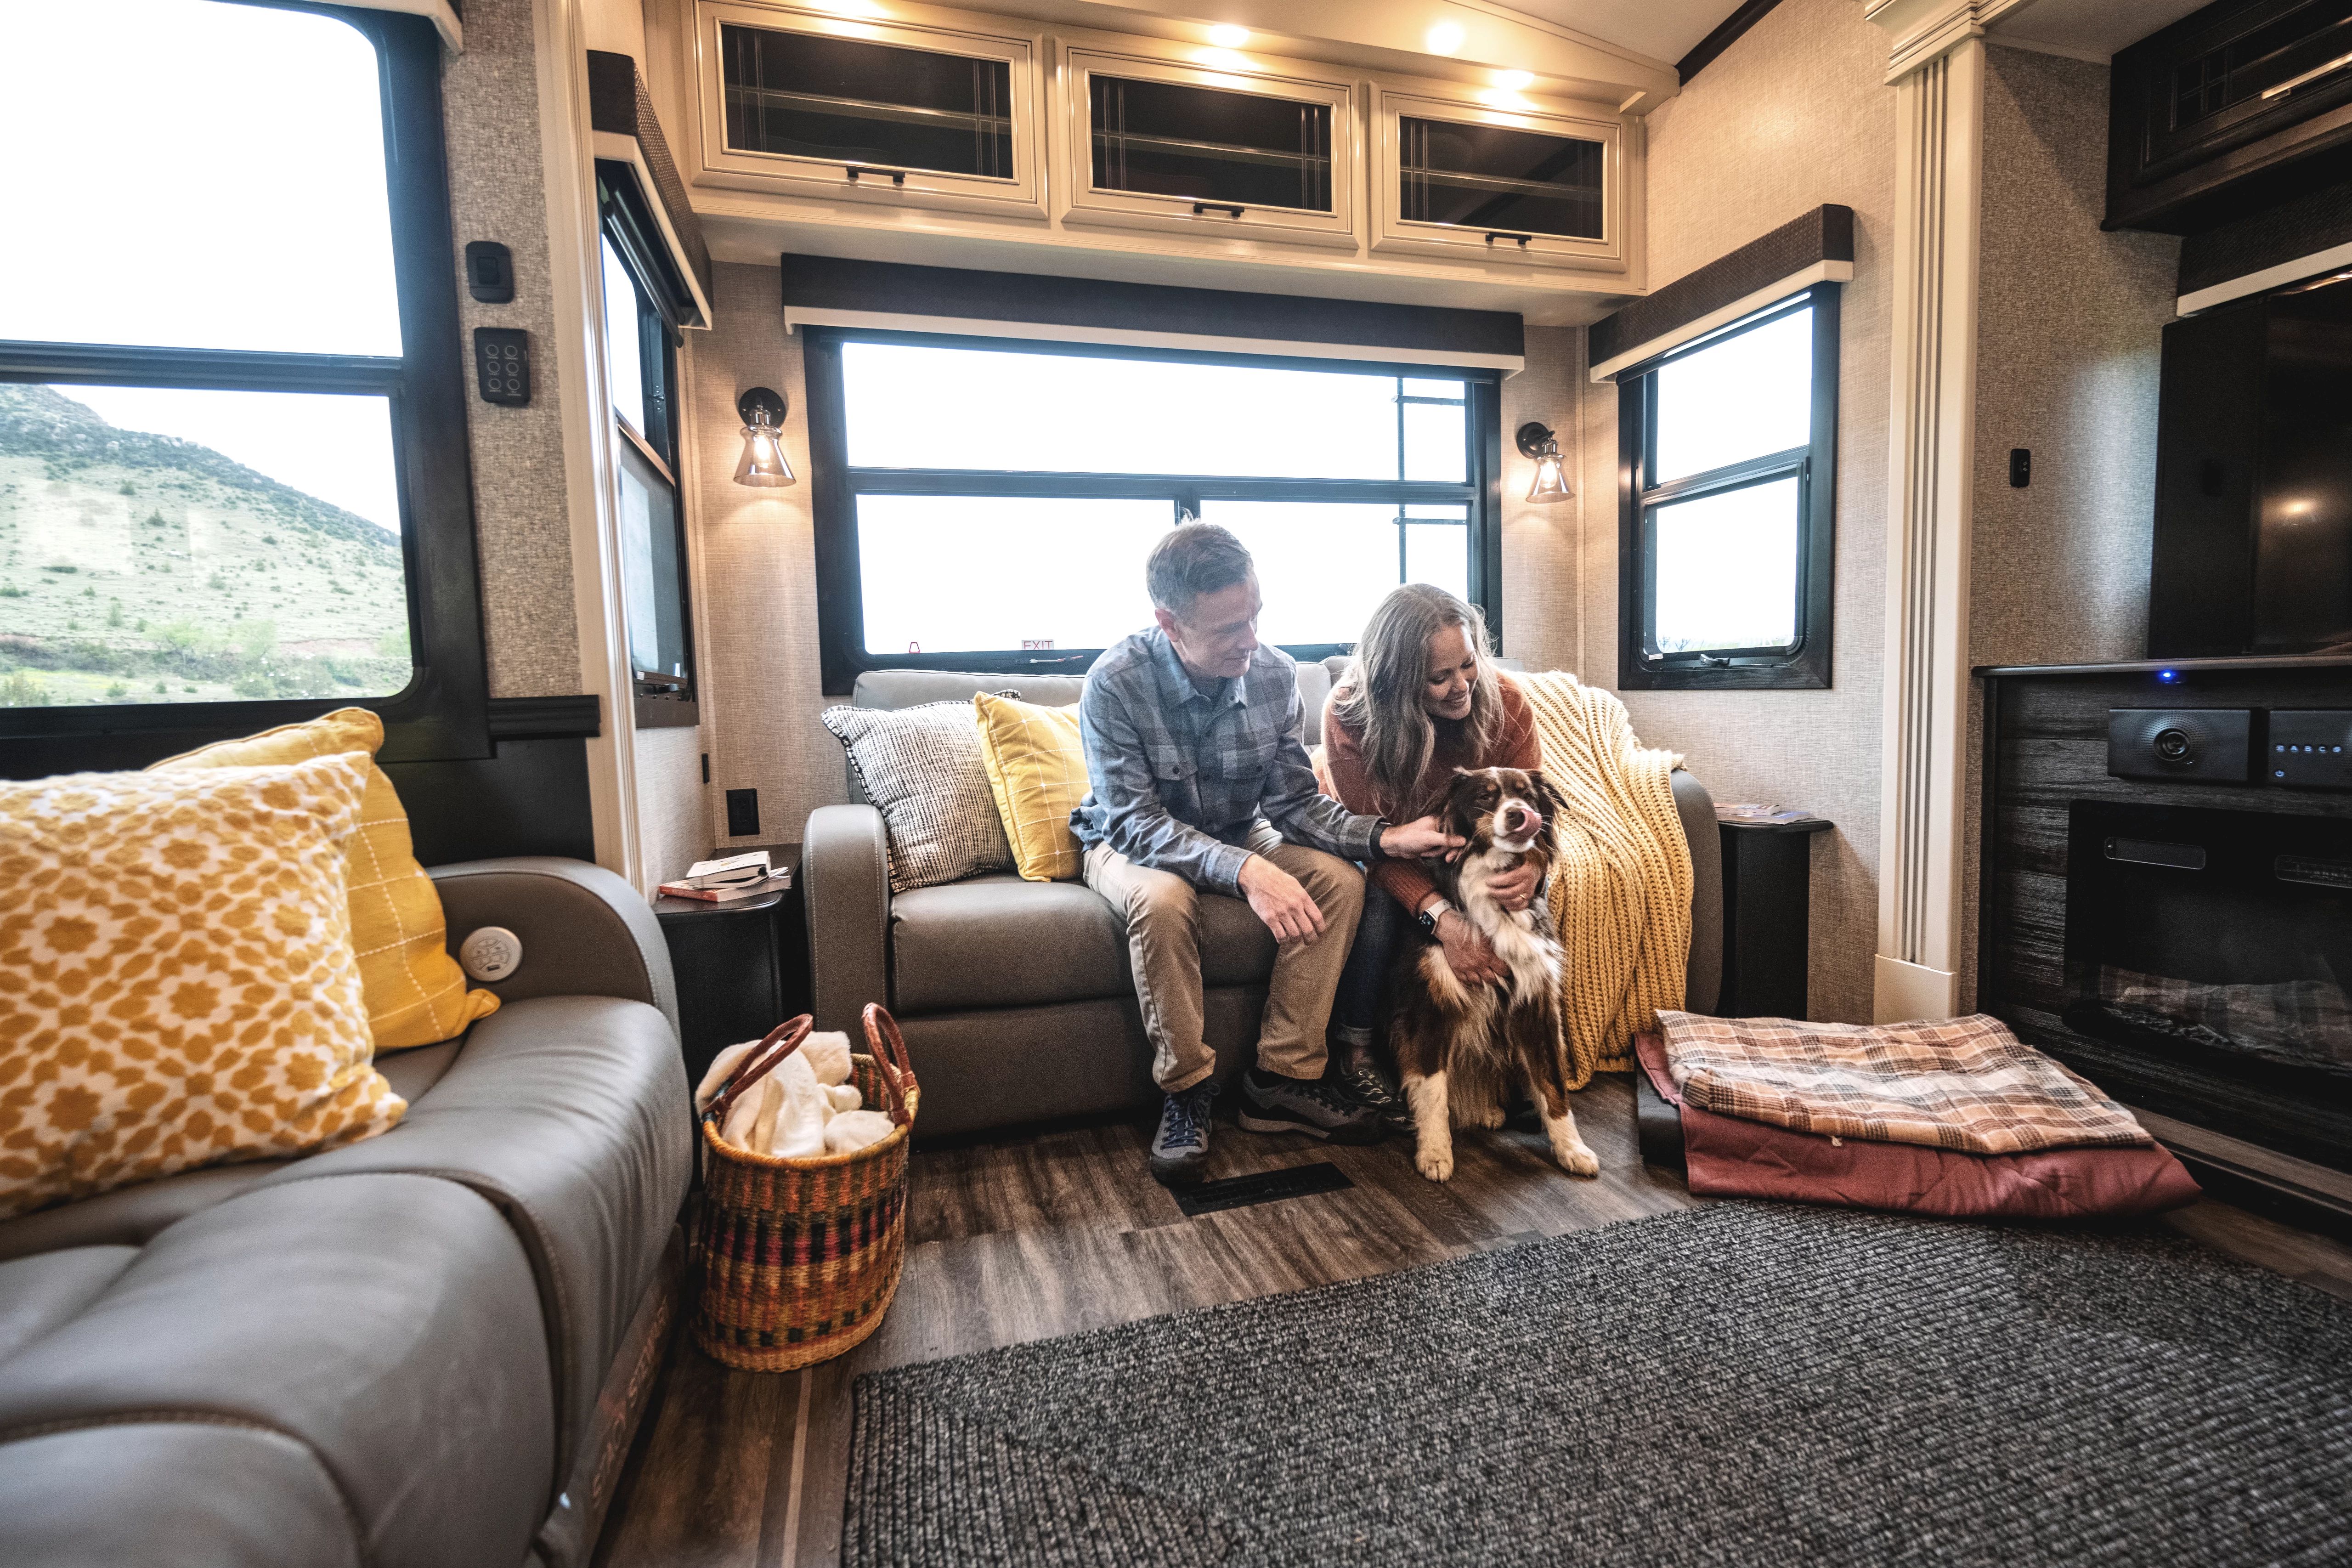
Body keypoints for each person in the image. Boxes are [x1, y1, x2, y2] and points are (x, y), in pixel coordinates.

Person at [1073, 523, 1462, 1186]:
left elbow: (1293, 804)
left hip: (1237, 825)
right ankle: (1187, 1089)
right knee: (1164, 901)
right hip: (1130, 838)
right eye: (1228, 629)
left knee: (1341, 881)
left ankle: (1281, 1078)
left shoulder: (1277, 675)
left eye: (1255, 616)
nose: (1250, 641)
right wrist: (1248, 870)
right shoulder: (1114, 685)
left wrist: (1383, 838)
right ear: (1169, 622)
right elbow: (1136, 821)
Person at [1321, 584, 1544, 1125]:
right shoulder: (1349, 715)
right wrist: (1442, 919)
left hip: (1473, 858)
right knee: (1373, 904)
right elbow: (1372, 845)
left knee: (1528, 910)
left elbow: (1536, 813)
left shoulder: (1507, 702)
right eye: (1437, 677)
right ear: (1395, 682)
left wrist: (1533, 868)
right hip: (1383, 855)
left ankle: (1513, 1063)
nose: (1459, 686)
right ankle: (1355, 1056)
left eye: (1466, 665)